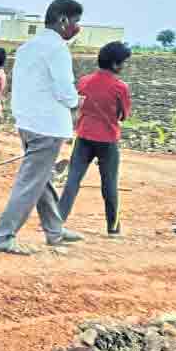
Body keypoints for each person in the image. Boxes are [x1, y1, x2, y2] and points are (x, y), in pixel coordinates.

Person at [0, 0, 86, 255]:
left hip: (28, 122)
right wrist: (77, 101)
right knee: (31, 182)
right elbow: (65, 91)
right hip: (49, 126)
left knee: (42, 180)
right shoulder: (57, 50)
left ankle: (54, 230)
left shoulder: (27, 48)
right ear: (63, 20)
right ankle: (2, 237)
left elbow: (21, 87)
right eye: (76, 22)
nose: (77, 27)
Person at [58, 41, 133, 237]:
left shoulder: (84, 81)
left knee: (72, 181)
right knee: (109, 184)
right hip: (107, 140)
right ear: (116, 64)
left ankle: (56, 222)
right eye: (123, 63)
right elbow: (124, 115)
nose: (124, 66)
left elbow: (76, 106)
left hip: (83, 136)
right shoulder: (120, 87)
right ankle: (113, 229)